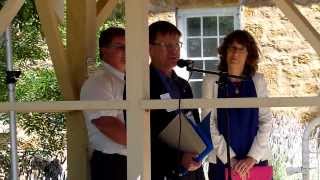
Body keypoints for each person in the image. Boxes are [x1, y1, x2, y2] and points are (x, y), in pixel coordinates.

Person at [201, 30, 272, 180]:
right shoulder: (211, 81)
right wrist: (231, 160)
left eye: (241, 49)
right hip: (222, 162)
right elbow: (209, 123)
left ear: (248, 55)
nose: (235, 53)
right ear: (224, 52)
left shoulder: (257, 81)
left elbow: (266, 121)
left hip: (255, 161)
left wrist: (252, 158)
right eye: (231, 48)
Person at [149, 21, 205, 180]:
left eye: (177, 44)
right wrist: (178, 157)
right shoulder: (143, 84)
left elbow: (194, 123)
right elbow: (142, 135)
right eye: (167, 45)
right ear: (150, 48)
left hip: (192, 167)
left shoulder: (183, 84)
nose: (174, 50)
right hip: (163, 169)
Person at [80, 27, 126, 180]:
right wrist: (145, 143)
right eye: (120, 47)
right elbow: (106, 123)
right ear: (104, 50)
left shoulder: (126, 80)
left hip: (129, 159)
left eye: (128, 46)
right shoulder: (99, 81)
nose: (126, 51)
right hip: (112, 162)